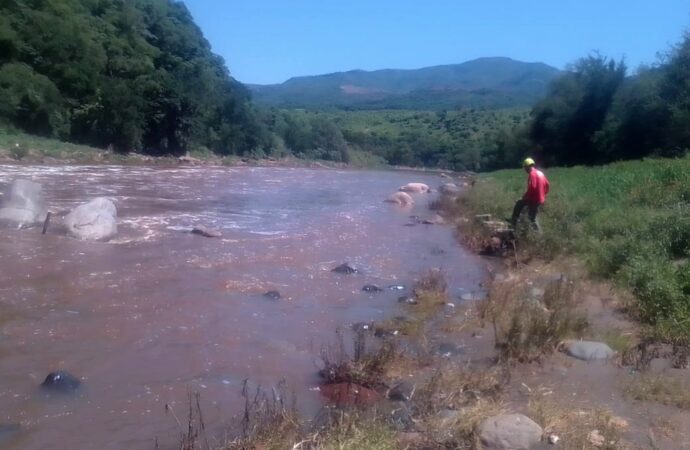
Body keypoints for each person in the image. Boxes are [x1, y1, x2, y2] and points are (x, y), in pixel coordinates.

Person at [509, 157, 549, 232]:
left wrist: (525, 196)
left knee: (532, 218)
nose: (525, 169)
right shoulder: (540, 173)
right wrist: (543, 195)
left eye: (525, 167)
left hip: (534, 199)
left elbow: (532, 187)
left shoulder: (532, 174)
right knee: (521, 204)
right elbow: (547, 185)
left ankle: (539, 235)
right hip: (539, 199)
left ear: (527, 166)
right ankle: (516, 222)